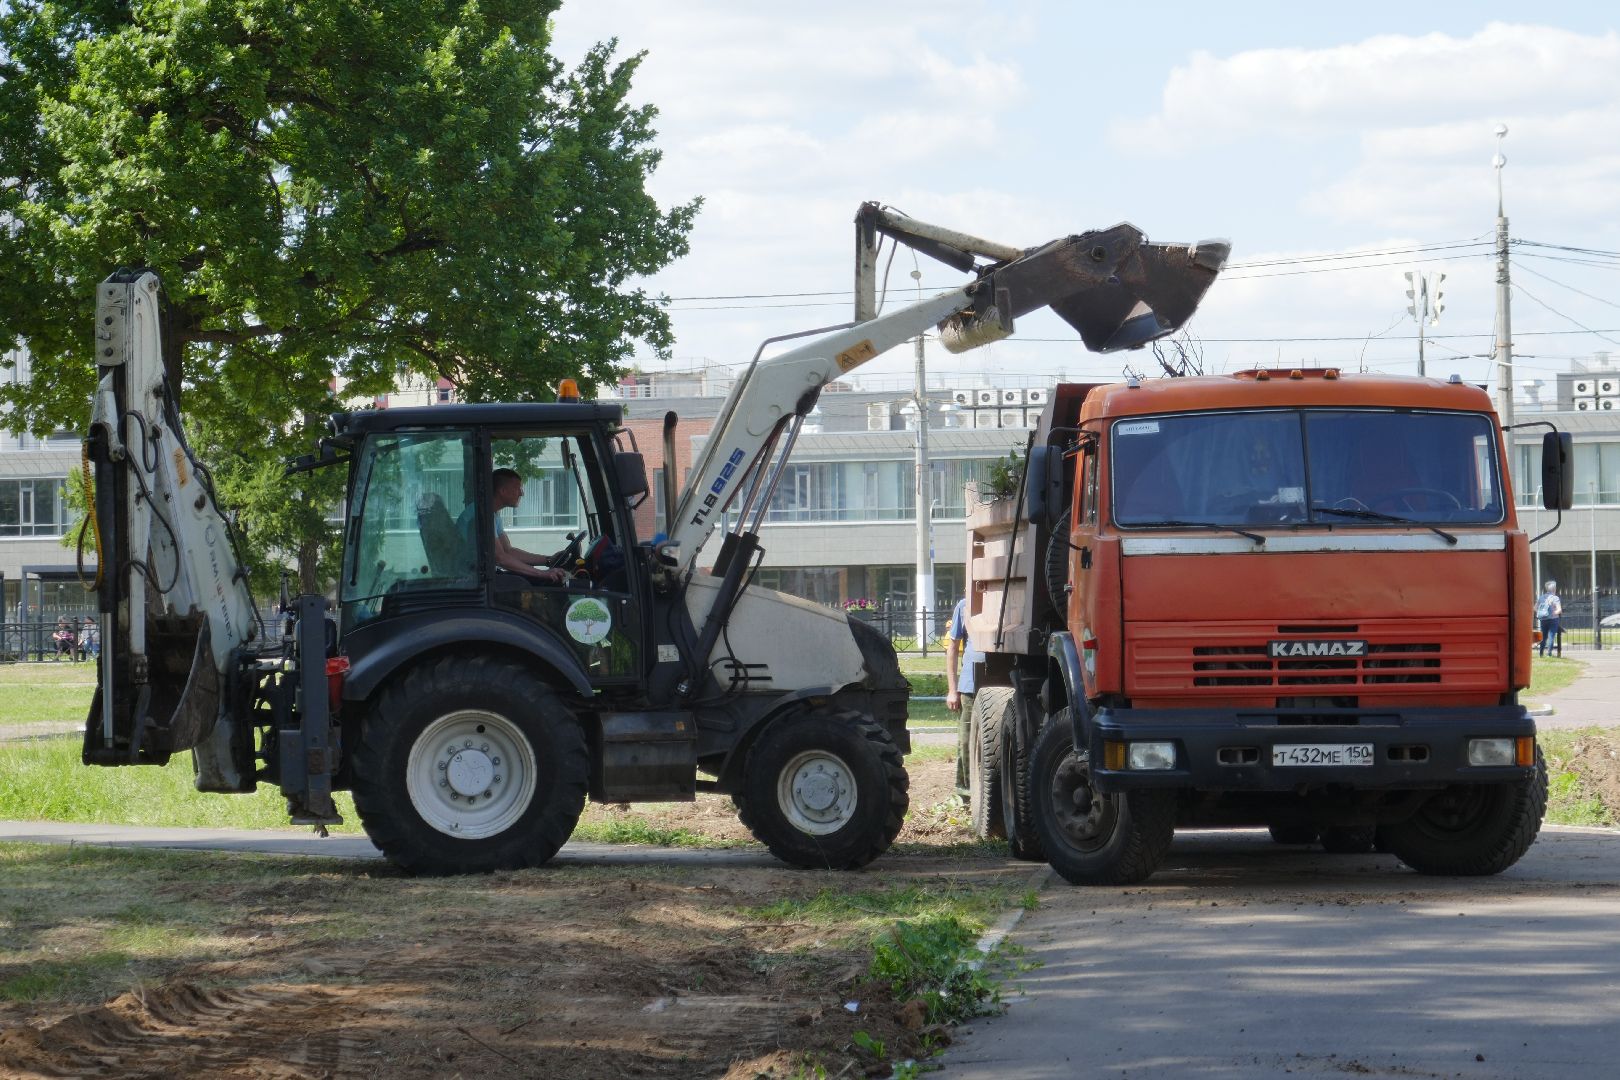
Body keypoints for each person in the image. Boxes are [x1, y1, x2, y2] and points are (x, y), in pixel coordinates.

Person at [488, 468, 568, 584]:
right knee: (527, 585)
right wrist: (543, 573)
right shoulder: (482, 516)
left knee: (531, 581)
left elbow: (508, 551)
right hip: (472, 583)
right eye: (517, 488)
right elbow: (500, 558)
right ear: (503, 491)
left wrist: (549, 560)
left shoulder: (494, 515)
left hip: (487, 576)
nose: (522, 493)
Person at [945, 596, 985, 801]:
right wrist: (953, 690)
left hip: (997, 685)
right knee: (966, 741)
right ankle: (966, 792)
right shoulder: (964, 605)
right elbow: (952, 649)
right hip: (969, 687)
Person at [1536, 581, 1563, 657]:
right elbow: (1559, 610)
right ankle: (1549, 654)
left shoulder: (1541, 597)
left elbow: (1535, 608)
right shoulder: (1555, 598)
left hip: (1543, 619)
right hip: (1553, 620)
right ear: (1554, 589)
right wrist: (1554, 613)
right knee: (1551, 636)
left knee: (1543, 637)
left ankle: (1541, 653)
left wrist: (1541, 612)